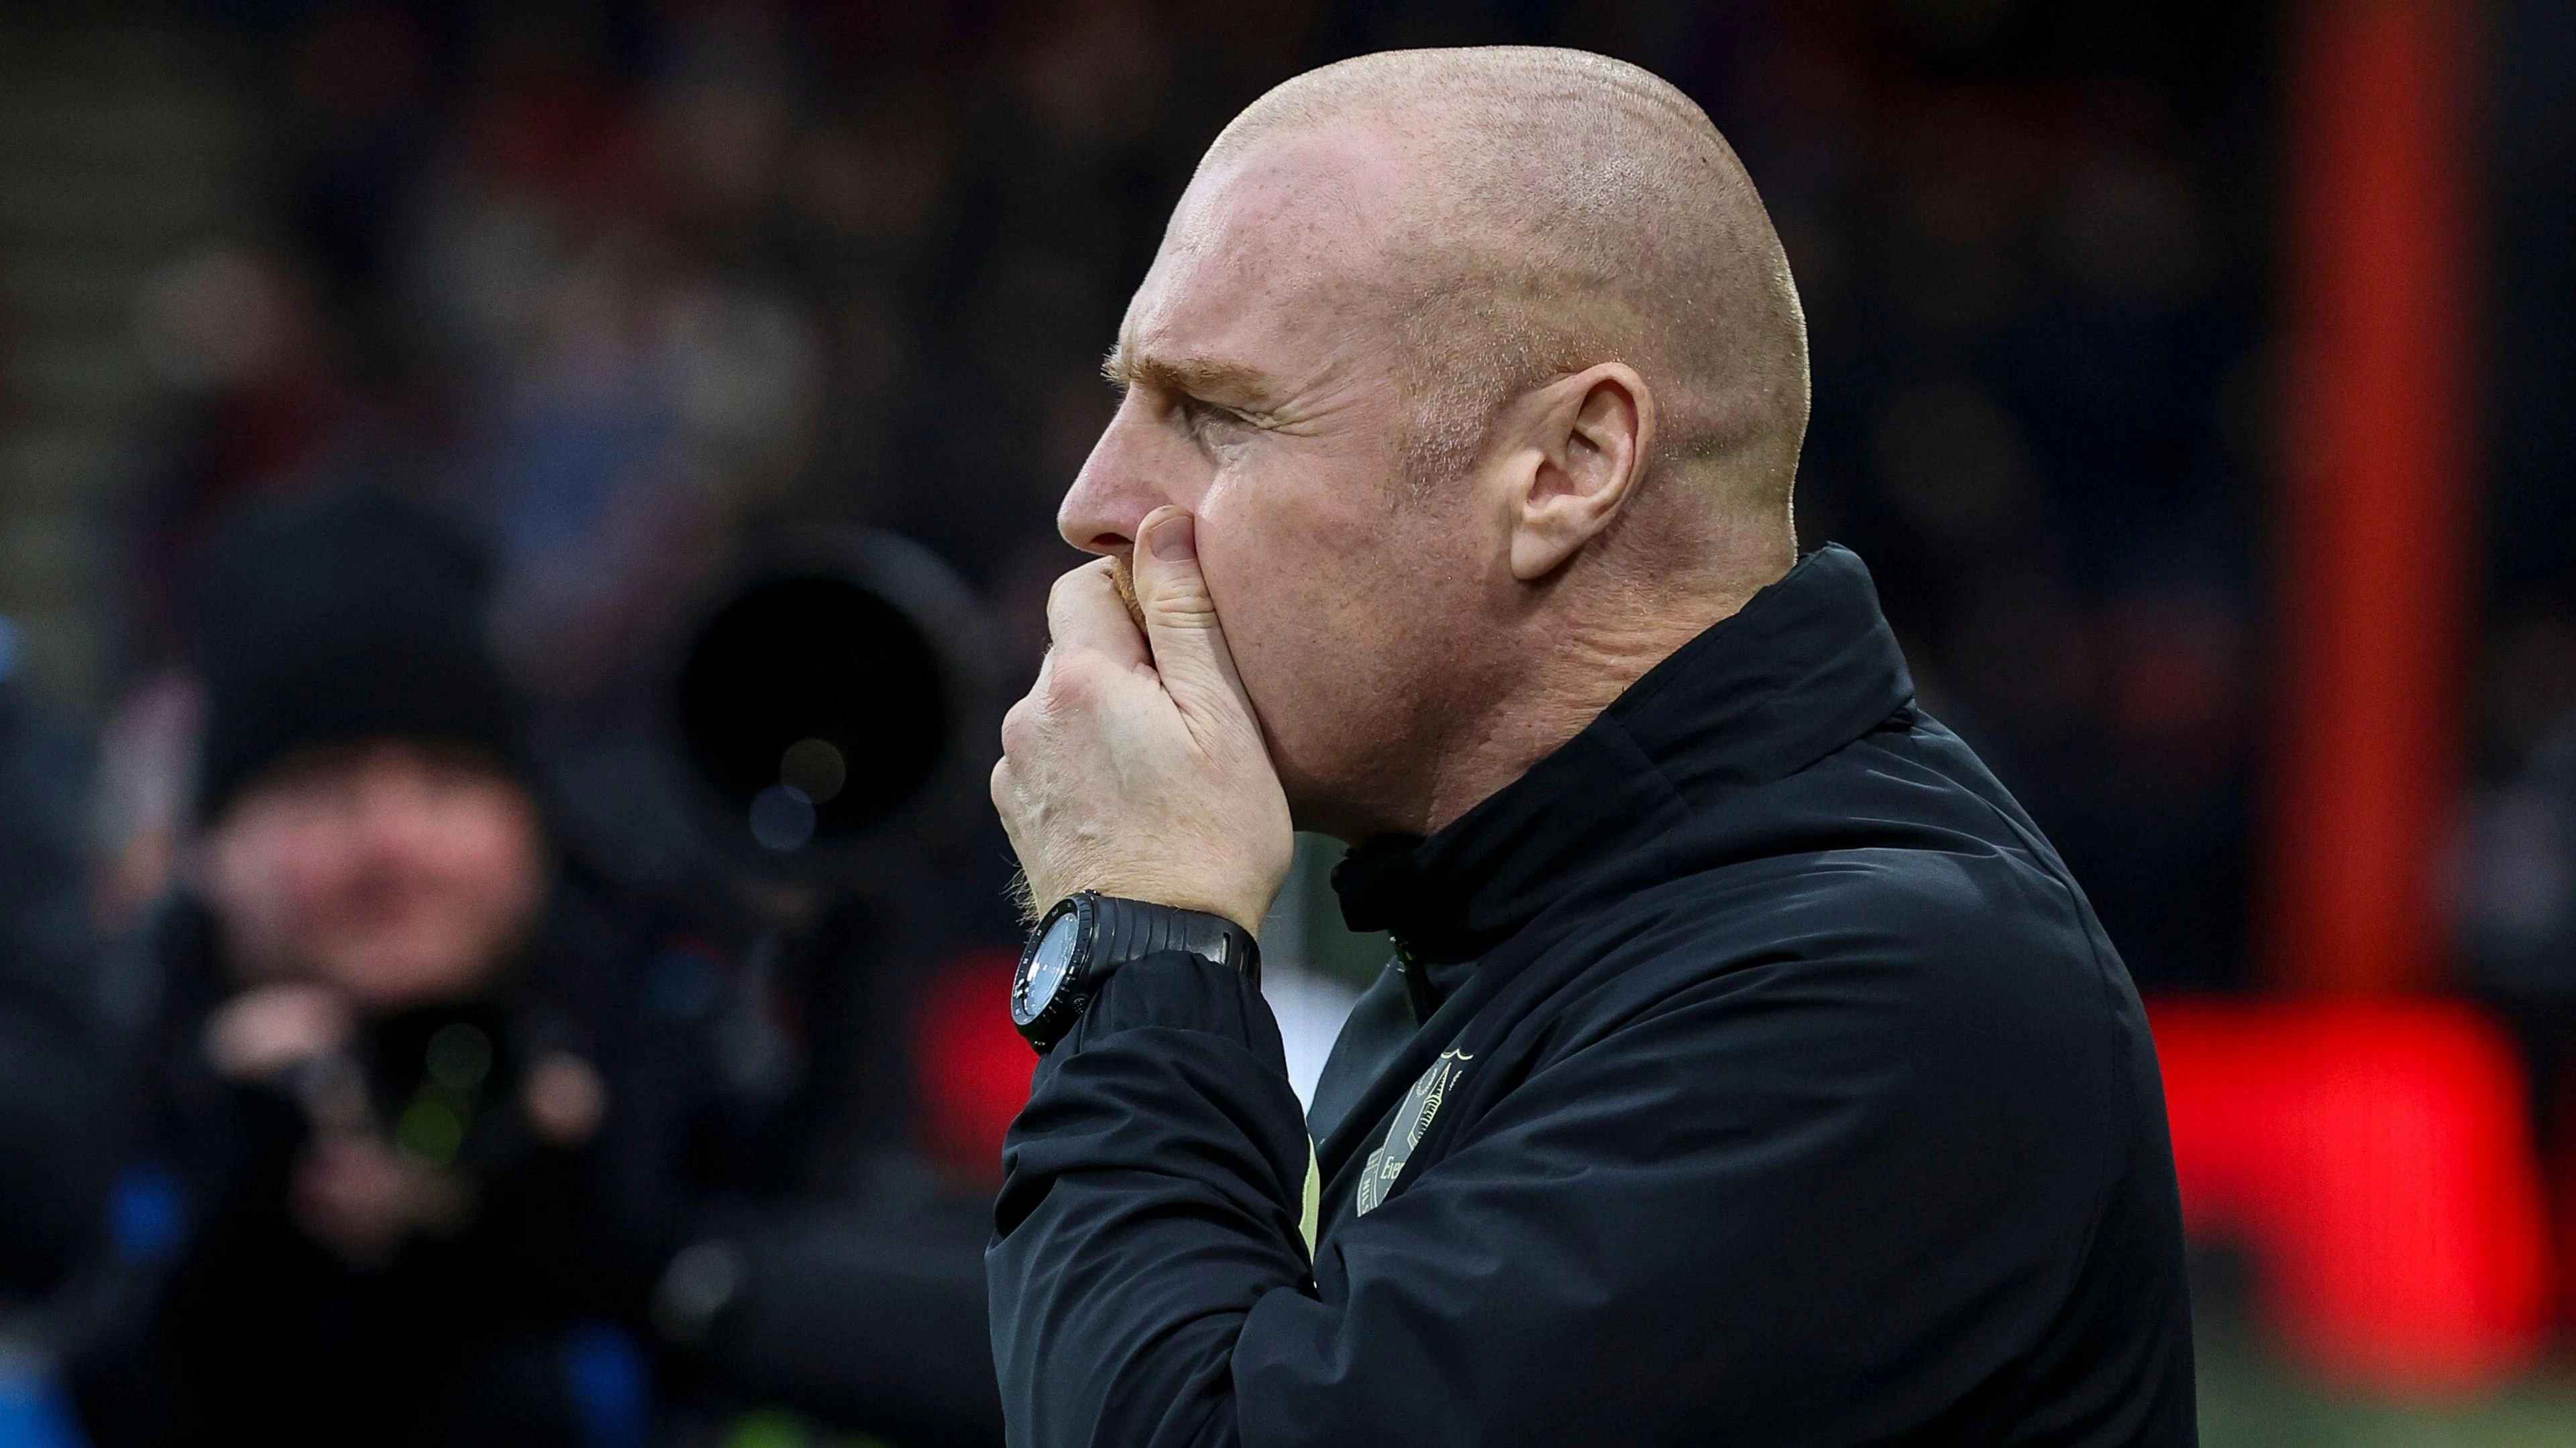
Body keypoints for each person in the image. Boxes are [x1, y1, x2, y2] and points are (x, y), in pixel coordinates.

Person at [985, 46, 2195, 1447]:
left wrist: (1142, 941)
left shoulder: (1878, 990)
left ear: (1568, 467)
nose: (1096, 499)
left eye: (1214, 414)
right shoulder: (1534, 913)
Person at [74, 490, 748, 1447]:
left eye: (445, 779)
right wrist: (239, 1212)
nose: (393, 844)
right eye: (323, 785)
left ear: (535, 834)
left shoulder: (661, 1052)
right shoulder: (100, 1087)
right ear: (212, 852)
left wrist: (563, 1221)